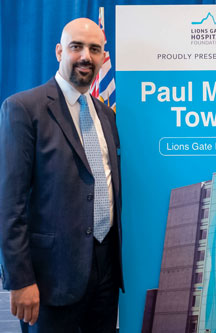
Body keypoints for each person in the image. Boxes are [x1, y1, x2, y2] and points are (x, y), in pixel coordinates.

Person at [0, 18, 123, 332]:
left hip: (105, 275)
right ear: (59, 51)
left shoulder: (107, 115)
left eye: (94, 49)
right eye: (76, 47)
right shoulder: (23, 109)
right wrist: (20, 279)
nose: (85, 56)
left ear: (102, 57)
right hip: (49, 281)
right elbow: (9, 203)